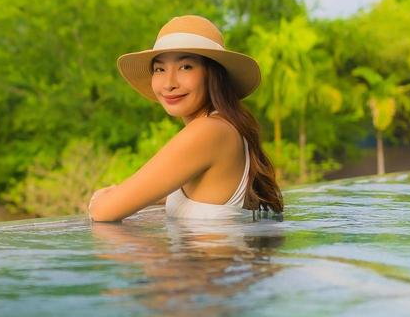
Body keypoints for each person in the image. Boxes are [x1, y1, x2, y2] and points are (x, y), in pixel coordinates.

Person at [88, 15, 284, 222]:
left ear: (213, 73)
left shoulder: (208, 131)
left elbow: (104, 212)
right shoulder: (224, 126)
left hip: (207, 255)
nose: (169, 83)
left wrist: (102, 199)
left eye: (186, 67)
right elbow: (203, 194)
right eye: (160, 69)